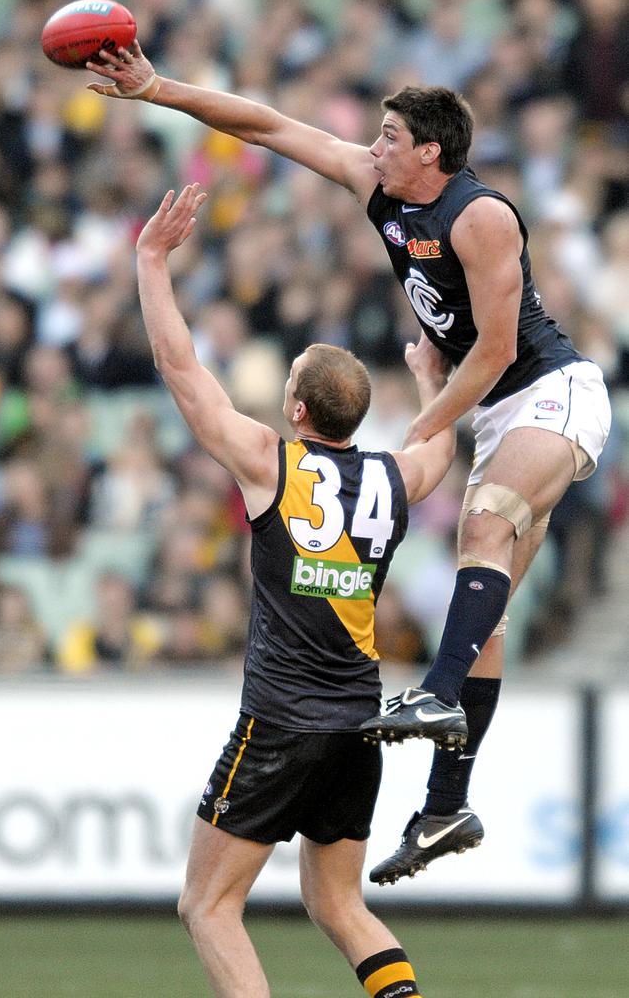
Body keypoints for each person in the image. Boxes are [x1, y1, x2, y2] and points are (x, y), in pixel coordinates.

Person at [87, 46, 612, 886]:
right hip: (493, 405)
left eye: (390, 133)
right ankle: (446, 807)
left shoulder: (481, 217)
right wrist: (157, 90)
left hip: (553, 389)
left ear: (430, 152)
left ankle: (437, 694)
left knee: (481, 530)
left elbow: (503, 350)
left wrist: (425, 414)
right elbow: (267, 125)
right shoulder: (381, 188)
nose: (373, 144)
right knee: (491, 613)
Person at [135, 182, 455, 997]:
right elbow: (438, 450)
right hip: (359, 722)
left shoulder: (268, 461)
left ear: (297, 406)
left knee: (207, 905)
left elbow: (182, 370)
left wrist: (150, 261)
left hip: (280, 719)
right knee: (337, 902)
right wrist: (431, 378)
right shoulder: (393, 477)